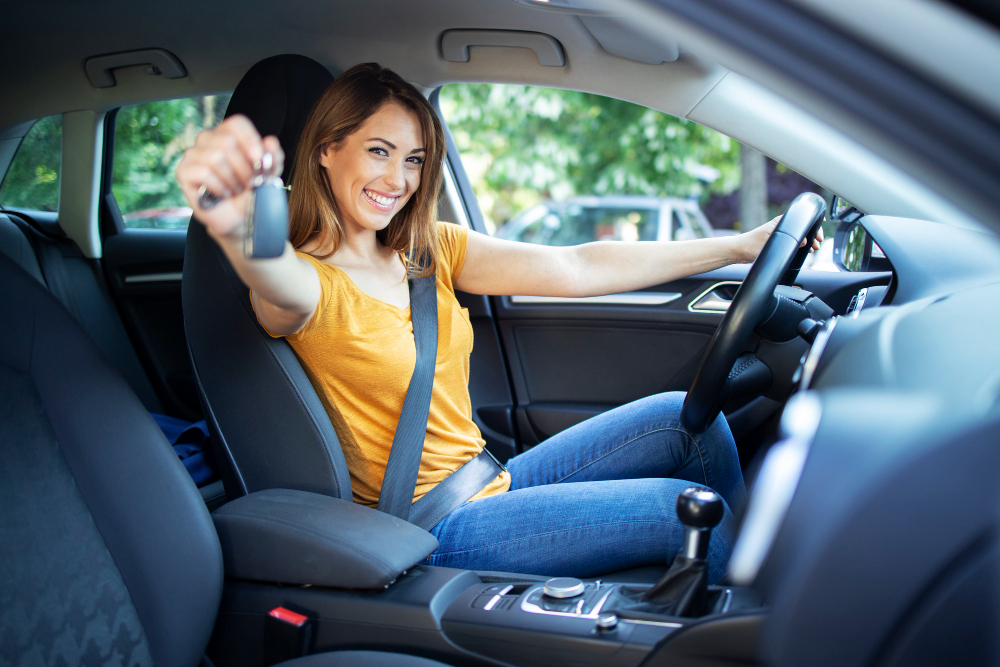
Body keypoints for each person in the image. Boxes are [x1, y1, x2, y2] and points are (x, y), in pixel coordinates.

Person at [176, 62, 821, 582]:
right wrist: (237, 227)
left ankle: (734, 583)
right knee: (669, 511)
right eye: (378, 151)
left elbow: (576, 267)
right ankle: (757, 625)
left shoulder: (428, 249)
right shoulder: (309, 285)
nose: (397, 179)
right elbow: (270, 276)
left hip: (493, 480)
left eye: (415, 160)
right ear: (325, 152)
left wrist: (738, 247)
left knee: (685, 420)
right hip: (433, 528)